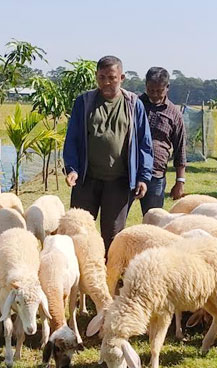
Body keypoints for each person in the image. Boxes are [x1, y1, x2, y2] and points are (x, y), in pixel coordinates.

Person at [62, 55, 153, 251]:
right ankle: (79, 277)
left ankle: (107, 276)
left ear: (122, 77)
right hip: (87, 180)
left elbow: (144, 144)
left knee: (112, 234)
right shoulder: (84, 102)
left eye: (111, 77)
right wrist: (72, 168)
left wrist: (143, 177)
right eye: (101, 77)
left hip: (119, 182)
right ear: (96, 77)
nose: (106, 82)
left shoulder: (133, 104)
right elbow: (73, 139)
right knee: (79, 231)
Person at [139, 67, 186, 215]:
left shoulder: (174, 113)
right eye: (150, 90)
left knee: (154, 219)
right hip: (129, 172)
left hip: (156, 175)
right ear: (145, 85)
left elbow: (180, 149)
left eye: (159, 91)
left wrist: (180, 181)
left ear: (167, 88)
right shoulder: (134, 105)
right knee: (117, 220)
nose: (154, 95)